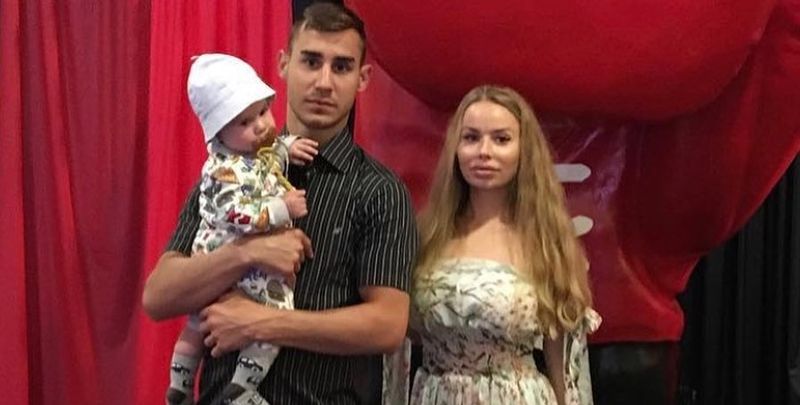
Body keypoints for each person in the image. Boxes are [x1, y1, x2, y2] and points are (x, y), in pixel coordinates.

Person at [142, 3, 418, 404]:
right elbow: (158, 297)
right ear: (284, 64)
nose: (323, 82)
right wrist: (246, 253)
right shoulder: (228, 171)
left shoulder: (379, 190)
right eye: (311, 61)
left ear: (362, 79)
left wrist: (262, 323)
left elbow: (386, 326)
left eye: (341, 67)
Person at [407, 85, 601, 404]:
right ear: (455, 148)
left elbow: (566, 363)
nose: (484, 152)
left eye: (501, 139)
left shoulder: (546, 242)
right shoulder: (427, 235)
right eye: (471, 138)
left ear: (524, 150)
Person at [165, 53, 318, 405]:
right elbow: (240, 214)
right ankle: (241, 387)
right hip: (235, 259)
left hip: (222, 259)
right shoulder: (223, 170)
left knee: (197, 324)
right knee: (275, 316)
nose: (261, 126)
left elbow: (266, 156)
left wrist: (287, 146)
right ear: (219, 133)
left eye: (263, 112)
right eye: (245, 122)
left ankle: (180, 385)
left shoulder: (247, 152)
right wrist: (283, 208)